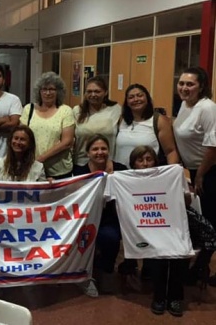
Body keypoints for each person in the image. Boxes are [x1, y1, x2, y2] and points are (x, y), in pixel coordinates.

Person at [127, 146, 188, 317]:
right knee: (158, 256)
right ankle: (159, 297)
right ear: (133, 164)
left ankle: (176, 297)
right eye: (140, 160)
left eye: (149, 159)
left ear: (156, 161)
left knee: (177, 254)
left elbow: (186, 197)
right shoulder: (127, 180)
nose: (145, 164)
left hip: (173, 224)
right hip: (149, 228)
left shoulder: (170, 175)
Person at [172, 66, 216, 285]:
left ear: (201, 86)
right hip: (195, 169)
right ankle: (201, 266)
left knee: (210, 221)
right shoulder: (184, 105)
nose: (184, 88)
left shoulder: (207, 107)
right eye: (181, 83)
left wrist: (200, 176)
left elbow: (213, 146)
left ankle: (201, 267)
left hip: (209, 171)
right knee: (205, 219)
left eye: (190, 84)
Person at [73, 134, 127, 297]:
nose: (100, 152)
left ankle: (107, 271)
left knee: (110, 237)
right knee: (80, 238)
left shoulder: (121, 170)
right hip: (85, 219)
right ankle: (84, 275)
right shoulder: (79, 172)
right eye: (95, 149)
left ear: (109, 151)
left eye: (103, 148)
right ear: (87, 152)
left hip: (111, 217)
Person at [22, 72, 75, 179]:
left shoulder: (65, 111)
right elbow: (22, 135)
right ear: (39, 91)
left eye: (52, 89)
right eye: (44, 89)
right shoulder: (29, 109)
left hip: (59, 170)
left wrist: (41, 159)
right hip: (31, 168)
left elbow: (67, 142)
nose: (48, 93)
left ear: (58, 91)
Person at [115, 83, 179, 168]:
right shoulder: (122, 120)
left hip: (149, 175)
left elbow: (171, 151)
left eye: (140, 95)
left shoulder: (159, 121)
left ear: (147, 98)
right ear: (126, 102)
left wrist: (171, 174)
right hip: (123, 175)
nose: (136, 99)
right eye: (131, 97)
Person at [72, 76, 121, 170]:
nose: (93, 94)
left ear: (105, 92)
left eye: (97, 91)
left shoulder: (116, 110)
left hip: (107, 164)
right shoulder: (77, 111)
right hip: (82, 164)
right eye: (89, 91)